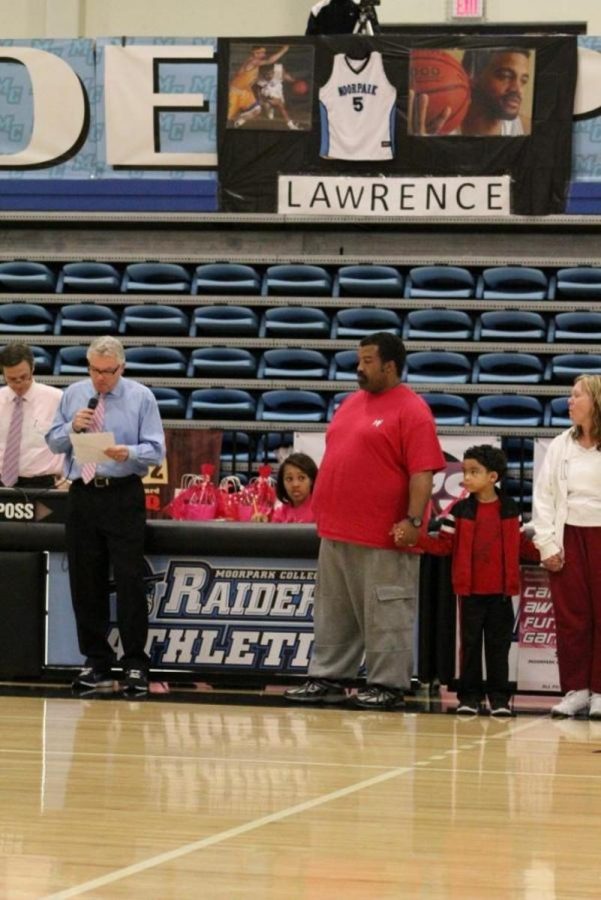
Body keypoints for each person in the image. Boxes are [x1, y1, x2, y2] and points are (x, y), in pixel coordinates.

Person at [285, 332, 445, 710]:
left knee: (387, 608)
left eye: (368, 361)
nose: (359, 367)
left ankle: (388, 684)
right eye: (359, 360)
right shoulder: (352, 403)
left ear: (389, 366)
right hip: (337, 531)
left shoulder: (412, 410)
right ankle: (328, 677)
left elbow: (423, 473)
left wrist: (412, 521)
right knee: (333, 609)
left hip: (384, 534)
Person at [46, 335, 165, 694]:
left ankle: (134, 664)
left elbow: (156, 450)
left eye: (108, 372)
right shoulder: (72, 395)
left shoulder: (141, 397)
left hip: (123, 494)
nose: (101, 379)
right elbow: (52, 441)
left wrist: (125, 452)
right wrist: (72, 428)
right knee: (86, 580)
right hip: (83, 493)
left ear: (121, 367)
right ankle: (96, 661)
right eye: (95, 371)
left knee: (130, 581)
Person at [394, 445, 539, 717]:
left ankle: (499, 699)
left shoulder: (511, 509)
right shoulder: (458, 511)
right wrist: (417, 538)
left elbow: (521, 545)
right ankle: (469, 697)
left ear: (493, 477)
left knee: (499, 648)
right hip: (469, 593)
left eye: (474, 472)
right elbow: (444, 546)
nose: (466, 478)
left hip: (502, 594)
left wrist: (548, 555)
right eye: (464, 472)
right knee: (470, 647)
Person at [532, 375, 601, 719]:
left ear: (597, 402)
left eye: (577, 396)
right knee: (573, 618)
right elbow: (543, 498)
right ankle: (577, 690)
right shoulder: (560, 445)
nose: (570, 402)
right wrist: (547, 544)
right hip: (569, 537)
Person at [409, 48, 532, 137]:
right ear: (472, 75)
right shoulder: (431, 126)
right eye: (505, 76)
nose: (517, 89)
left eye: (523, 81)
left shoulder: (526, 130)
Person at [0, 342, 63, 489]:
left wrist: (71, 476)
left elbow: (75, 440)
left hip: (42, 483)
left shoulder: (57, 399)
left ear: (33, 368)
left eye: (24, 377)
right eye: (11, 379)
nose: (18, 384)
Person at [227, 44, 294, 129]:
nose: (264, 55)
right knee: (226, 117)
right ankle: (230, 123)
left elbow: (244, 75)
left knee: (256, 110)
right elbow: (270, 61)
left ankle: (236, 123)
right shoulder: (253, 61)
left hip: (245, 91)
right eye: (262, 52)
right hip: (235, 91)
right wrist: (283, 50)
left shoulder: (254, 63)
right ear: (255, 53)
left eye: (264, 52)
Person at [271, 452, 318, 523]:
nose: (295, 485)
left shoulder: (320, 511)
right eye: (289, 479)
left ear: (311, 480)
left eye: (301, 478)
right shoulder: (280, 514)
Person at [256, 63, 300, 130]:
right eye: (266, 74)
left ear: (273, 71)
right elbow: (258, 89)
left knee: (282, 105)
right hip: (268, 93)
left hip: (278, 90)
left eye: (270, 73)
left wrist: (290, 78)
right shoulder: (260, 80)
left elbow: (286, 74)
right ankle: (291, 125)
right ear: (263, 74)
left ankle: (270, 108)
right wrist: (261, 99)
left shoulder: (279, 71)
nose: (268, 75)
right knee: (280, 106)